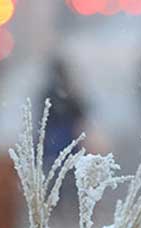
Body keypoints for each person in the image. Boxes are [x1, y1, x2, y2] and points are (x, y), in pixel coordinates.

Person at [40, 59, 87, 212]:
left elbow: (42, 117)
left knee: (57, 171)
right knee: (65, 171)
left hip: (58, 137)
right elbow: (81, 112)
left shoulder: (52, 92)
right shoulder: (68, 91)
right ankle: (64, 203)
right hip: (64, 136)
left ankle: (58, 203)